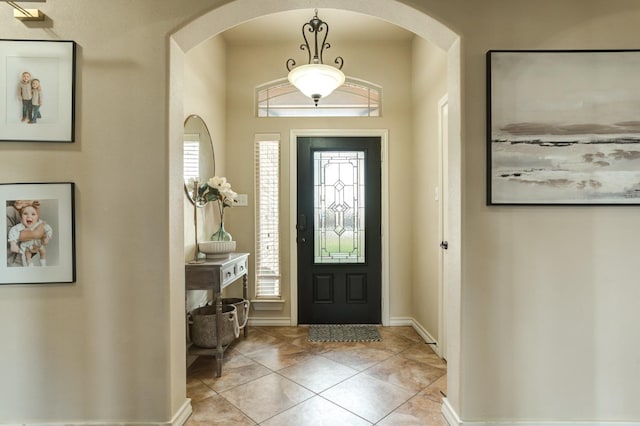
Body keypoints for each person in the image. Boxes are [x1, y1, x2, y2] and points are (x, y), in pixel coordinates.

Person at [6, 201, 52, 267]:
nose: (29, 216)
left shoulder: (39, 223)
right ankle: (30, 266)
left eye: (33, 214)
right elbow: (13, 232)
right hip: (26, 246)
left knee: (43, 251)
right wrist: (12, 243)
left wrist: (47, 237)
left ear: (37, 217)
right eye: (25, 214)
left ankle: (43, 264)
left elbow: (48, 228)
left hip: (37, 244)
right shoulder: (21, 226)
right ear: (21, 217)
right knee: (27, 256)